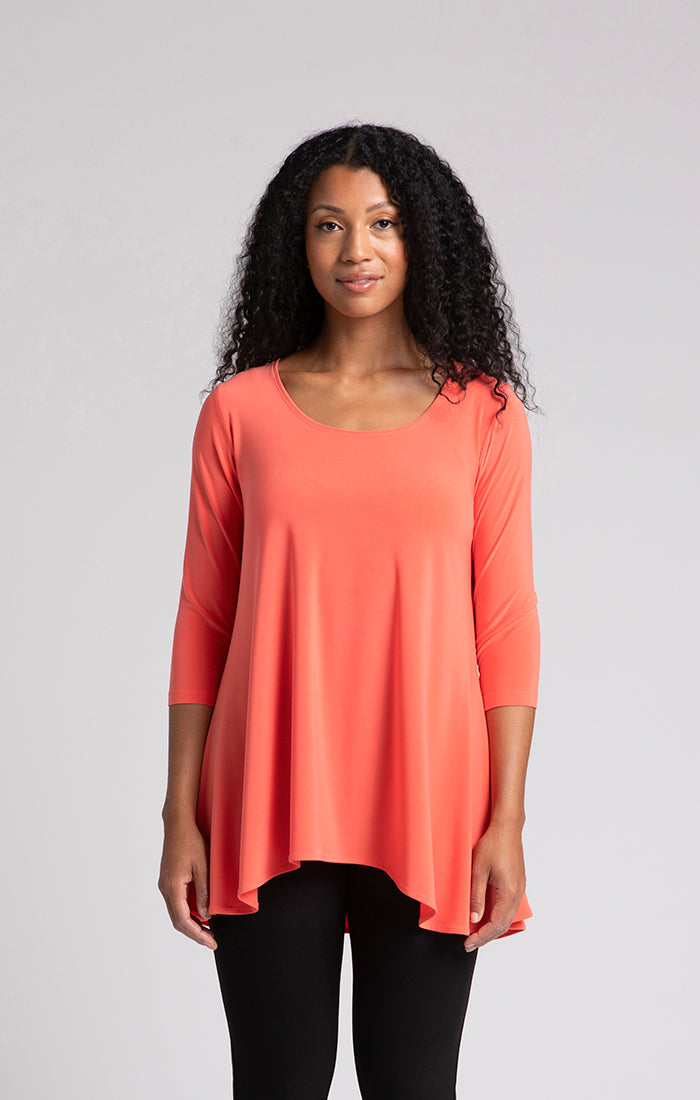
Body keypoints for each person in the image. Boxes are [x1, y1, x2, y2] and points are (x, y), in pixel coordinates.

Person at [158, 122, 542, 1100]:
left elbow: (505, 623)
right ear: (297, 242)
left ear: (423, 241)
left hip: (431, 793)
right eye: (329, 224)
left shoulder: (483, 413)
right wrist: (179, 814)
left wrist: (506, 819)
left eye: (383, 222)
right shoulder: (239, 411)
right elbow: (204, 619)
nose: (355, 249)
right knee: (276, 1083)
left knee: (413, 1086)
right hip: (265, 787)